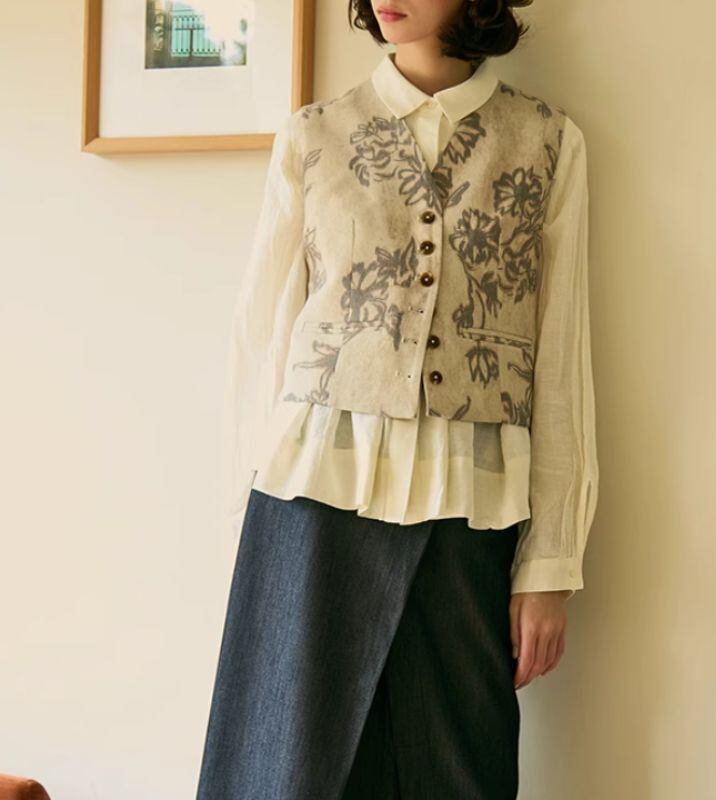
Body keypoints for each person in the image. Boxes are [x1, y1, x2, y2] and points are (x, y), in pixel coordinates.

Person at [195, 1, 599, 798]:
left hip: (467, 510)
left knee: (458, 772)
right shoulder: (312, 135)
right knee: (284, 775)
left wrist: (551, 563)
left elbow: (560, 358)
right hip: (312, 500)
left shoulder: (546, 141)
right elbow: (263, 334)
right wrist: (247, 519)